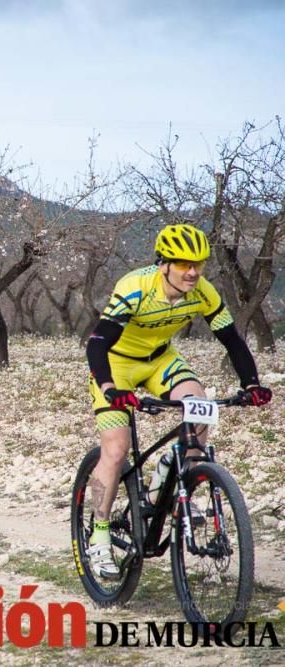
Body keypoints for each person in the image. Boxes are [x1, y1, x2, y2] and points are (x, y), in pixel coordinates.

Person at [84, 223, 272, 579]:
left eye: (199, 264)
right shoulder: (135, 288)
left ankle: (166, 491)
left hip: (161, 359)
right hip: (116, 363)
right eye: (184, 264)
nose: (193, 272)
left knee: (198, 410)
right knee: (116, 449)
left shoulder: (203, 292)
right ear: (163, 263)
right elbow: (97, 342)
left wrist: (251, 384)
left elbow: (231, 339)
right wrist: (109, 387)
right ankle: (100, 534)